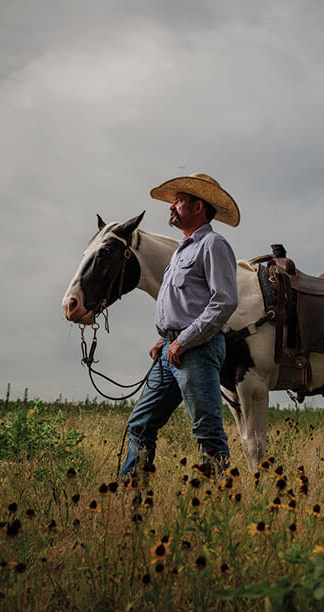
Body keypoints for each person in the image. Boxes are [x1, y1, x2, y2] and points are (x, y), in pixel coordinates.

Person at [119, 173, 241, 483]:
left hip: (196, 350)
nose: (172, 206)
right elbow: (183, 302)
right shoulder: (180, 251)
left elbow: (224, 302)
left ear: (198, 206)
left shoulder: (213, 244)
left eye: (179, 201)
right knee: (140, 424)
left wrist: (183, 340)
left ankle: (219, 502)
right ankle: (132, 497)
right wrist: (165, 339)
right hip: (172, 350)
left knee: (207, 429)